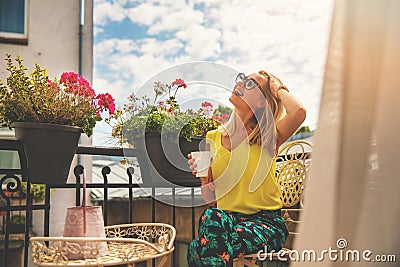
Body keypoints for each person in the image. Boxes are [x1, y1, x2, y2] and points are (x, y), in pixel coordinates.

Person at [187, 70, 306, 266]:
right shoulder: (212, 138)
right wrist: (203, 178)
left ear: (261, 102)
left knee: (199, 248)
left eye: (250, 83)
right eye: (241, 79)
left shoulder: (268, 136)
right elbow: (211, 201)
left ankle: (201, 251)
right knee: (212, 220)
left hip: (266, 224)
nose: (240, 83)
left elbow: (298, 112)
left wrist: (275, 86)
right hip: (226, 222)